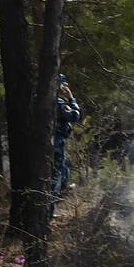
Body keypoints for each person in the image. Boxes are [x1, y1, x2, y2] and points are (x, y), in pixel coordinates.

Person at [52, 74, 83, 202]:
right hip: (57, 141)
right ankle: (50, 209)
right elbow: (76, 116)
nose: (66, 88)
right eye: (64, 85)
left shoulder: (38, 98)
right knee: (56, 175)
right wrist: (71, 99)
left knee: (64, 172)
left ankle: (60, 194)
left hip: (52, 142)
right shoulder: (59, 103)